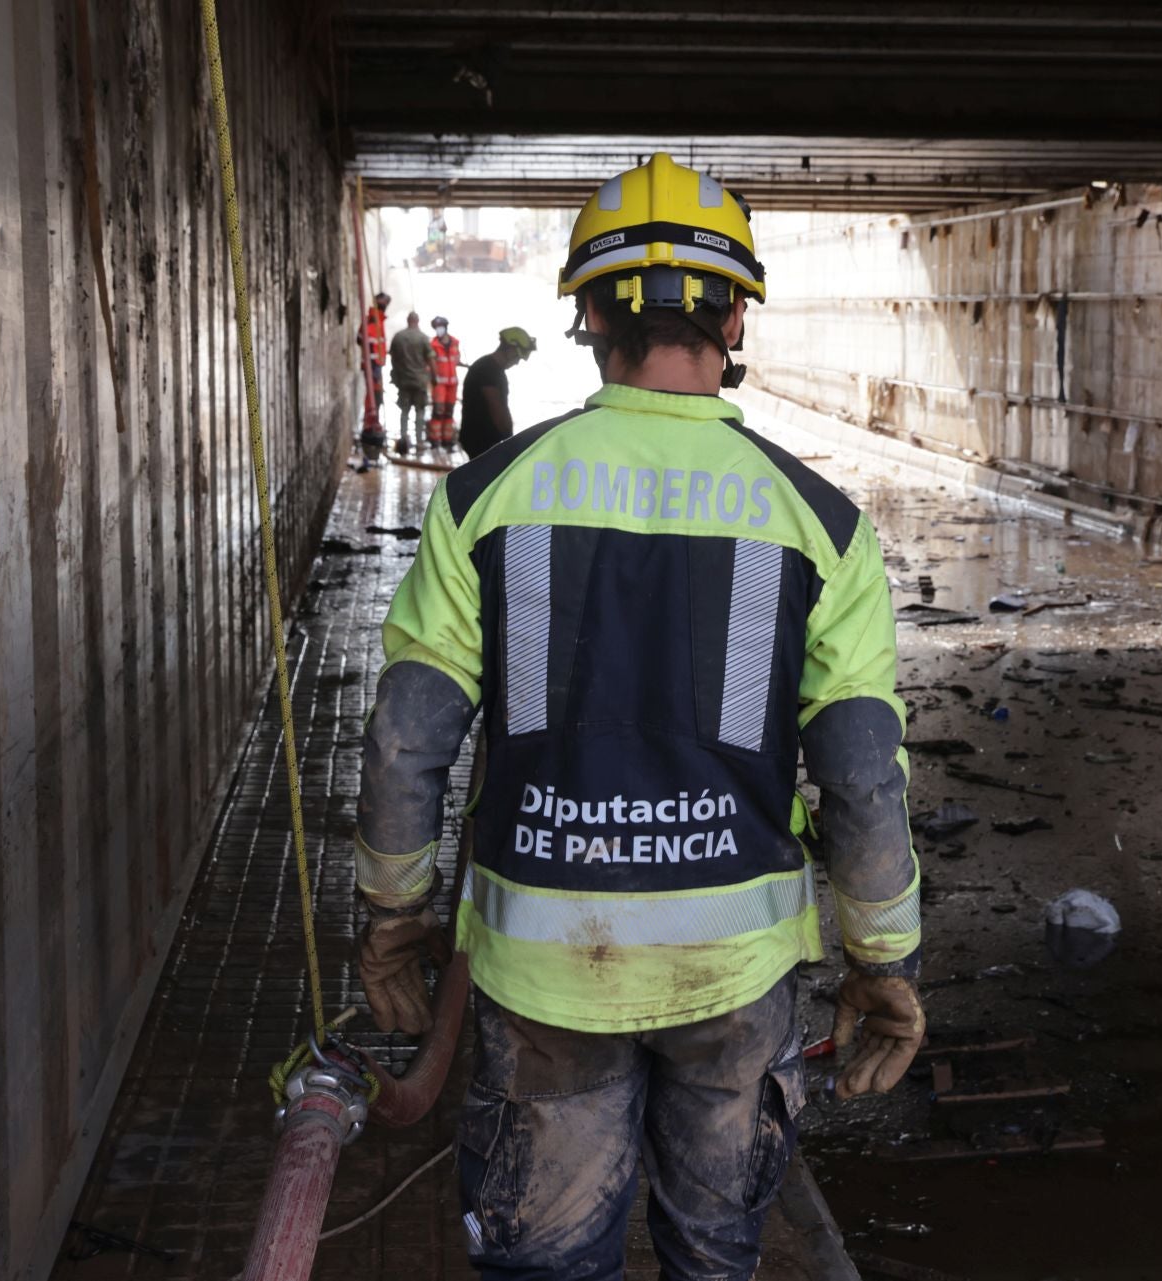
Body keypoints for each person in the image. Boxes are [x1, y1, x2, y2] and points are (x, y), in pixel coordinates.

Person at [355, 152, 924, 1280]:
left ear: (585, 314)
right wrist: (884, 957)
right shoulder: (821, 523)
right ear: (735, 317)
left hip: (544, 975)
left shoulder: (487, 498)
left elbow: (407, 740)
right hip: (734, 978)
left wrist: (393, 916)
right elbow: (860, 773)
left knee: (550, 1263)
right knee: (715, 1258)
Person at [457, 326, 536, 458]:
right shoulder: (488, 371)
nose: (517, 362)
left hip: (479, 440)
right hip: (481, 442)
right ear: (509, 349)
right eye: (518, 356)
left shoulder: (488, 367)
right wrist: (510, 444)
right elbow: (498, 410)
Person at [387, 310, 433, 456]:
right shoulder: (424, 338)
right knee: (420, 411)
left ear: (408, 320)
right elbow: (431, 359)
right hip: (419, 382)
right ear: (417, 321)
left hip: (404, 381)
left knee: (404, 411)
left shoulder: (398, 337)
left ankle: (403, 440)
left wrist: (396, 375)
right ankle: (419, 442)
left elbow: (393, 358)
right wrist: (435, 378)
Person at [359, 290, 391, 458]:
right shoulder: (373, 320)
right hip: (373, 366)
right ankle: (370, 425)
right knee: (374, 397)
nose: (385, 306)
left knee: (376, 397)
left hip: (375, 365)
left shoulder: (378, 320)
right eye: (384, 303)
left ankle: (373, 421)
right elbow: (363, 340)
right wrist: (373, 364)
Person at [427, 315, 462, 451]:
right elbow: (429, 365)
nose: (439, 330)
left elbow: (456, 360)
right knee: (438, 411)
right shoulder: (433, 345)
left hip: (452, 383)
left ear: (446, 328)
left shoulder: (455, 343)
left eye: (440, 327)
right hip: (439, 383)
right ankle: (435, 440)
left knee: (449, 412)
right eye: (436, 328)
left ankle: (447, 440)